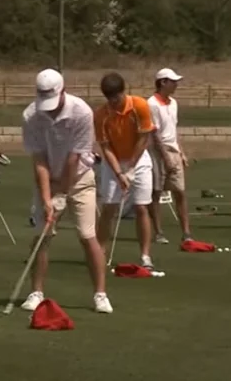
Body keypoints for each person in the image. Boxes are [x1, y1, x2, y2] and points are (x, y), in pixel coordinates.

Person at [20, 68, 112, 314]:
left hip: (80, 179)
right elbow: (39, 160)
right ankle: (36, 292)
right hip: (48, 179)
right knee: (43, 235)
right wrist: (47, 196)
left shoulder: (82, 112)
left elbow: (74, 159)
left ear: (63, 91)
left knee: (86, 234)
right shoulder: (31, 115)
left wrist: (61, 195)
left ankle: (100, 294)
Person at [94, 72, 157, 270]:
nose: (113, 102)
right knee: (109, 208)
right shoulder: (101, 115)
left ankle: (145, 256)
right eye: (109, 98)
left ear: (123, 92)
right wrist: (120, 173)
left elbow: (144, 138)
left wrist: (130, 167)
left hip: (138, 160)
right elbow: (105, 147)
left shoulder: (140, 106)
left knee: (141, 207)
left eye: (117, 97)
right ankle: (99, 252)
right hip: (113, 163)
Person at [146, 68, 193, 244]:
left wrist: (181, 152)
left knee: (180, 191)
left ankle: (186, 232)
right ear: (163, 82)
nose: (176, 85)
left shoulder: (173, 103)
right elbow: (154, 133)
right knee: (156, 192)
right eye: (173, 81)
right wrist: (165, 157)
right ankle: (158, 232)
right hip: (158, 152)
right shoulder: (152, 104)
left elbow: (174, 129)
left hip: (173, 150)